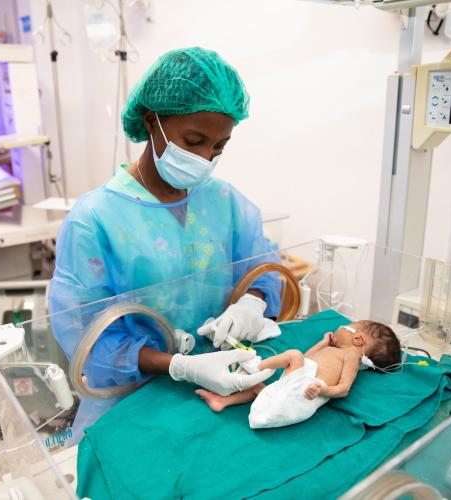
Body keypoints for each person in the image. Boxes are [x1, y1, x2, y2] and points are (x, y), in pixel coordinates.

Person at [48, 47, 282, 439]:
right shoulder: (95, 221)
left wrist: (251, 303)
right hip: (133, 398)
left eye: (219, 147)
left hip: (221, 386)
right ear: (150, 120)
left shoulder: (223, 202)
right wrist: (179, 366)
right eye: (193, 141)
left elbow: (262, 268)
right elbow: (93, 339)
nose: (206, 158)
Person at [195, 321, 402, 429]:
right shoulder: (335, 351)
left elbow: (344, 388)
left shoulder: (351, 356)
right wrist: (322, 343)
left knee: (292, 355)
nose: (337, 328)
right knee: (259, 388)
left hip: (305, 393)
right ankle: (222, 401)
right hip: (296, 383)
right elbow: (306, 358)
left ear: (357, 339)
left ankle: (257, 365)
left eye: (346, 326)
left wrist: (323, 389)